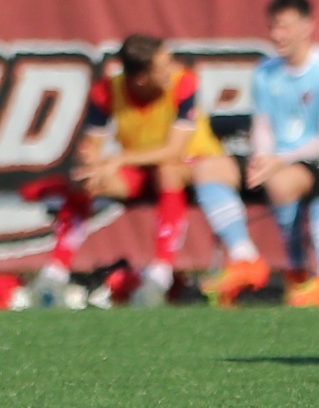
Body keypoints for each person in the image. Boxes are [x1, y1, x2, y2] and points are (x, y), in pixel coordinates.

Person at [34, 36, 243, 307]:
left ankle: (160, 273)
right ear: (141, 78)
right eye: (163, 66)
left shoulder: (183, 83)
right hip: (141, 171)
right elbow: (92, 145)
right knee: (89, 183)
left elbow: (174, 151)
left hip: (194, 166)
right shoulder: (109, 90)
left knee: (168, 171)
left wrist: (119, 158)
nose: (172, 69)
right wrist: (93, 165)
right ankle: (55, 272)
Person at [240, 0, 319, 309]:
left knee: (287, 183)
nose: (277, 35)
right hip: (279, 163)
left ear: (308, 27)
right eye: (273, 27)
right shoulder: (265, 72)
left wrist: (279, 161)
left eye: (285, 27)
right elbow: (261, 125)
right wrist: (262, 157)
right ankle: (244, 260)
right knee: (212, 171)